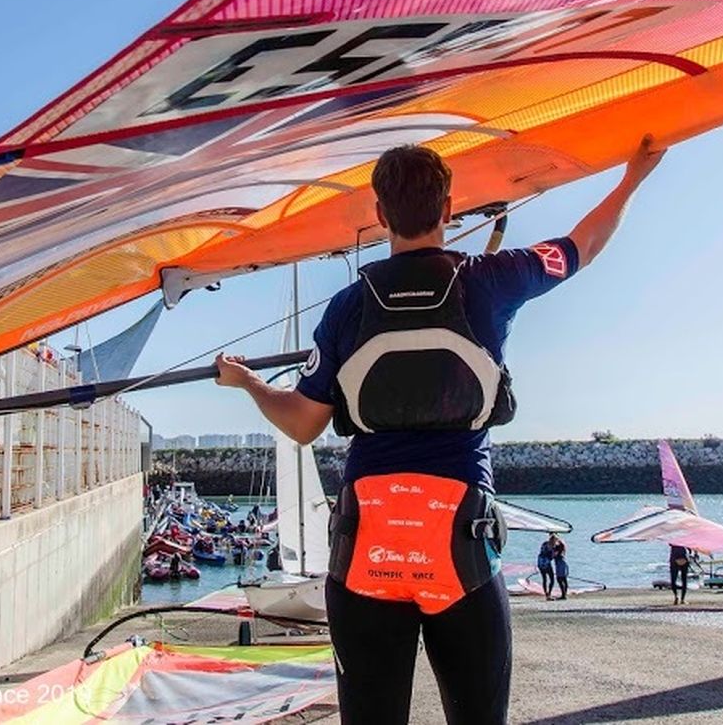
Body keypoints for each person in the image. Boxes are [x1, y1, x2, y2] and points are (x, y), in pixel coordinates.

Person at [215, 139, 664, 725]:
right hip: (458, 541)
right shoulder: (492, 280)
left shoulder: (347, 308)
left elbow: (302, 422)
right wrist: (632, 177)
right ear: (448, 208)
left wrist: (248, 381)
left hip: (366, 547)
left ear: (380, 215)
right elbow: (583, 245)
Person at [551, 536, 570, 601]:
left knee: (559, 579)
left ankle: (563, 595)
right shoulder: (562, 548)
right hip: (562, 563)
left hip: (560, 563)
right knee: (564, 579)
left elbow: (554, 555)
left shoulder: (557, 548)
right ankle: (564, 594)